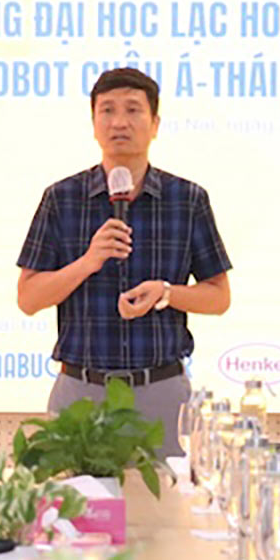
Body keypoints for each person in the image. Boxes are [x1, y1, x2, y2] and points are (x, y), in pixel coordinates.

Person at [15, 67, 232, 457]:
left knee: (168, 514)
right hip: (81, 391)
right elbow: (28, 298)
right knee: (75, 513)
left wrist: (167, 293)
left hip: (162, 394)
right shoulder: (61, 198)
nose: (119, 122)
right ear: (94, 124)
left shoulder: (187, 199)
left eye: (133, 110)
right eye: (107, 111)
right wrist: (87, 262)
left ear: (155, 125)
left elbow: (218, 298)